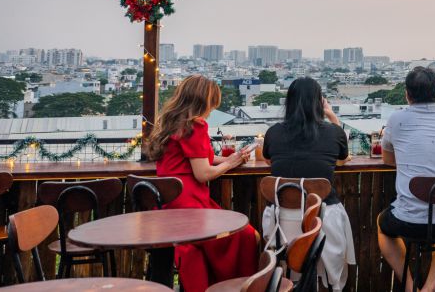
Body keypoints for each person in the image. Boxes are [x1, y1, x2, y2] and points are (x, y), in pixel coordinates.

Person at [146, 75, 259, 292]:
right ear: (202, 101)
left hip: (169, 205)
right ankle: (243, 286)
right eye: (212, 103)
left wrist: (227, 159)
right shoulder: (195, 126)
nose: (212, 109)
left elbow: (197, 157)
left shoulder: (173, 123)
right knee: (246, 235)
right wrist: (232, 162)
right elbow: (203, 173)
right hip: (190, 206)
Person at [378, 66, 435, 292]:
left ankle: (411, 287)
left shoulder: (396, 119)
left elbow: (388, 159)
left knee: (383, 227)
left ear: (407, 95)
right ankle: (430, 287)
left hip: (409, 219)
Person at [261, 77, 355, 291]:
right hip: (323, 220)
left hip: (279, 222)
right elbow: (342, 155)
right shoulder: (333, 133)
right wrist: (331, 115)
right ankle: (329, 284)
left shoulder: (274, 132)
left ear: (289, 103)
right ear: (319, 102)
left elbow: (268, 160)